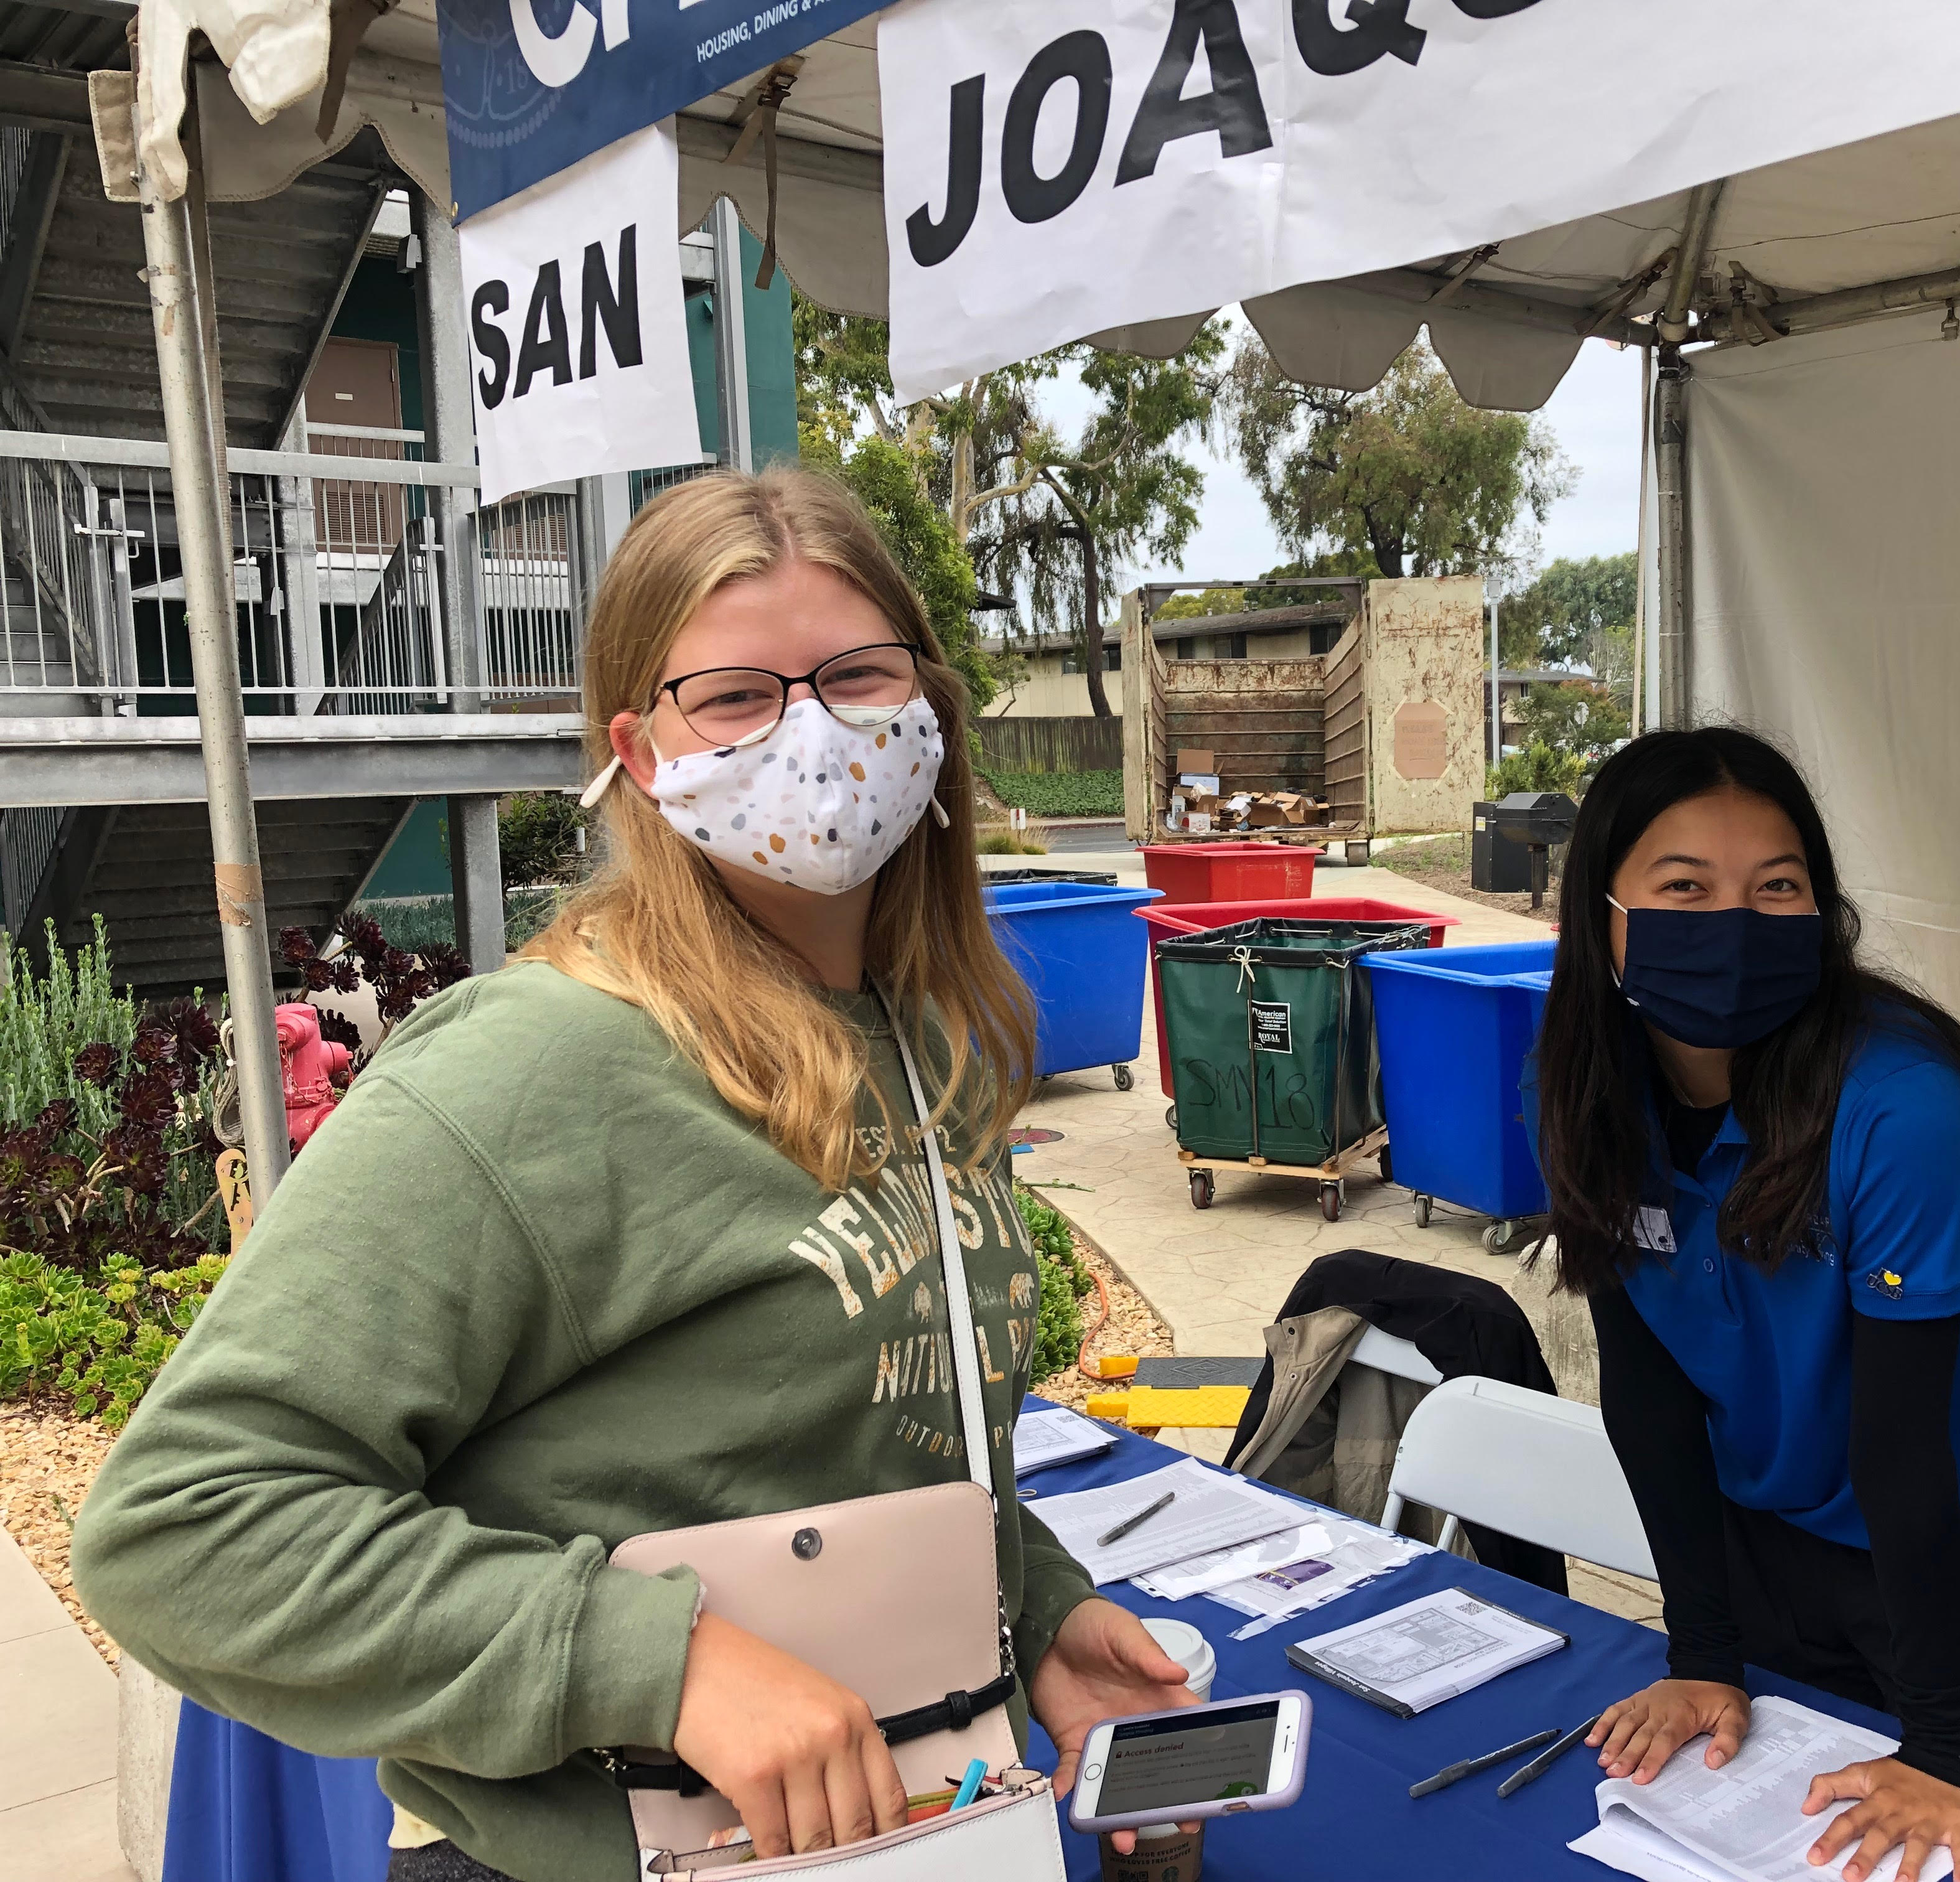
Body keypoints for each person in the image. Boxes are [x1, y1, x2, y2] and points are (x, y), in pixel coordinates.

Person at [74, 467, 1195, 1882]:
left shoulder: (928, 1042)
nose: (813, 734)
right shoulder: (533, 1069)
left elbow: (877, 1440)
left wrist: (1034, 1613)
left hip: (911, 1831)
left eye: (857, 676)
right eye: (734, 696)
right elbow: (183, 1525)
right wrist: (658, 1666)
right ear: (641, 747)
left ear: (927, 708)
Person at [1534, 728, 1960, 1882]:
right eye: (1684, 886)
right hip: (1771, 1558)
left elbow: (1904, 1449)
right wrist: (1702, 1650)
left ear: (1822, 912)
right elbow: (1644, 1394)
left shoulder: (1905, 1112)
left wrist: (1949, 1751)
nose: (1734, 921)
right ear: (1603, 913)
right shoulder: (1598, 1093)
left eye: (1777, 887)